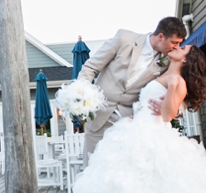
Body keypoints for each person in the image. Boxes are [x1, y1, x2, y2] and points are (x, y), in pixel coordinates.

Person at [55, 44, 206, 193]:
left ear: (185, 59)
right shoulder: (162, 72)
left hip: (153, 134)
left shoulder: (177, 81)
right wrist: (135, 116)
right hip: (135, 127)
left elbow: (168, 114)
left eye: (183, 48)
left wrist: (170, 94)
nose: (177, 47)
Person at [76, 17, 186, 167]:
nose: (176, 47)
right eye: (174, 42)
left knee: (121, 174)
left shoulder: (168, 61)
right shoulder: (124, 38)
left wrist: (175, 110)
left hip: (131, 124)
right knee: (92, 170)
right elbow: (90, 68)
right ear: (161, 37)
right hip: (99, 118)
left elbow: (180, 87)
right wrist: (82, 94)